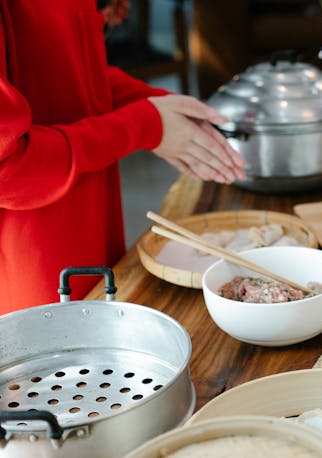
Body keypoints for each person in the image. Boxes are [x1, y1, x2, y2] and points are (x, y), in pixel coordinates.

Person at [0, 1, 246, 315]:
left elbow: (61, 70)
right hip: (31, 267)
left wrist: (157, 107)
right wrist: (143, 124)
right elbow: (8, 168)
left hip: (92, 233)